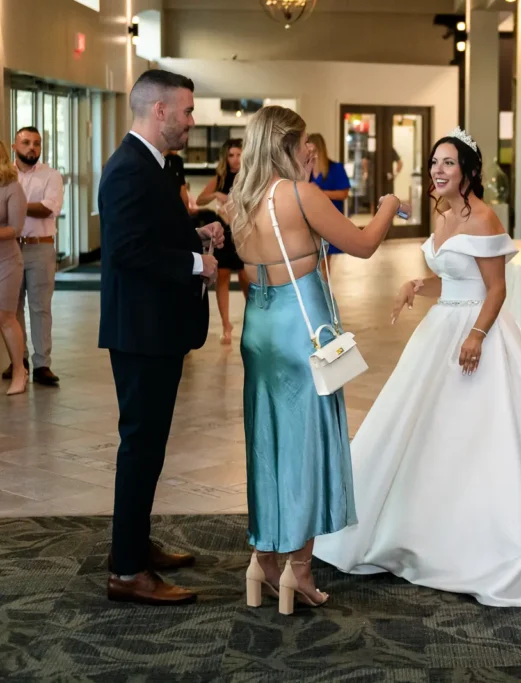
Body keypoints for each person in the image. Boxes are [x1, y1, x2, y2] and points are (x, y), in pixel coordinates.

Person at [313, 128, 521, 607]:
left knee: (484, 439)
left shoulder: (483, 217)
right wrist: (419, 284)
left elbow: (494, 289)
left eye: (448, 163)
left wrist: (476, 335)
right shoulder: (445, 215)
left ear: (468, 171)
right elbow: (454, 277)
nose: (438, 170)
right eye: (435, 162)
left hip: (479, 335)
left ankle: (485, 542)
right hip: (440, 331)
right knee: (420, 434)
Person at [232, 106, 408, 615]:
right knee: (306, 442)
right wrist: (389, 204)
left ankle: (263, 559)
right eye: (303, 144)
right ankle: (300, 570)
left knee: (267, 440)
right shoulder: (298, 195)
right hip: (300, 325)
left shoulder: (240, 198)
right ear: (289, 145)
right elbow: (364, 243)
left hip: (259, 326)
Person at [99, 69, 225, 605]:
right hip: (142, 332)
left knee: (148, 449)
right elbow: (127, 251)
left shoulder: (151, 165)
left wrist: (196, 230)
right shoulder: (129, 168)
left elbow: (151, 233)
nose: (192, 121)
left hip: (155, 329)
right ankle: (128, 571)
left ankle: (134, 546)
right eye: (188, 111)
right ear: (159, 112)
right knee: (140, 448)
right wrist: (197, 261)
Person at [3, 127, 63, 387]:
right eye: (26, 143)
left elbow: (48, 209)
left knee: (40, 308)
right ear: (14, 147)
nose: (32, 148)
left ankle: (42, 364)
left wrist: (13, 203)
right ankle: (20, 361)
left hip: (41, 247)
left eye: (37, 144)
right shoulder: (5, 177)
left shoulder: (52, 175)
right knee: (11, 308)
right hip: (9, 249)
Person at [197, 138, 250, 344]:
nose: (235, 160)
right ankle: (226, 324)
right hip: (224, 231)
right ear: (225, 157)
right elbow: (201, 198)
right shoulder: (221, 177)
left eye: (238, 154)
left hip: (243, 230)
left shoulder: (248, 177)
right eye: (231, 155)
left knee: (246, 276)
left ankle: (252, 318)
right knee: (223, 275)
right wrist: (217, 195)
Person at [0, 142, 28, 396]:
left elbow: (15, 229)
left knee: (5, 317)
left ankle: (19, 370)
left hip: (6, 262)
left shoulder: (12, 188)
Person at [307, 133, 351, 261]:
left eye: (314, 151)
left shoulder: (335, 168)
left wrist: (321, 193)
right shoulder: (305, 171)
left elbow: (344, 194)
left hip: (329, 221)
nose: (311, 154)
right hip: (309, 222)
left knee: (324, 262)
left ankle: (325, 282)